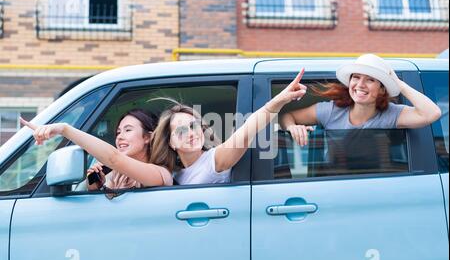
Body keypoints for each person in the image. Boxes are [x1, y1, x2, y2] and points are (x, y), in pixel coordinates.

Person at [150, 69, 308, 185]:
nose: (191, 133)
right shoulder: (174, 174)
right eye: (182, 131)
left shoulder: (214, 159)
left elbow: (248, 130)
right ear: (171, 142)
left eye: (194, 126)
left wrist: (277, 102)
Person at [280, 54, 442, 146]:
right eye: (356, 77)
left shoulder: (391, 113)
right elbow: (285, 116)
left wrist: (397, 83)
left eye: (370, 79)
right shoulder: (331, 110)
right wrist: (292, 127)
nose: (360, 85)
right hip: (333, 184)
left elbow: (432, 113)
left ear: (382, 89)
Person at [20, 109, 173, 193]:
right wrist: (94, 186)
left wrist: (64, 129)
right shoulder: (112, 175)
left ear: (148, 137)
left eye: (128, 130)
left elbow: (114, 158)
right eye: (118, 132)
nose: (120, 137)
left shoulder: (161, 174)